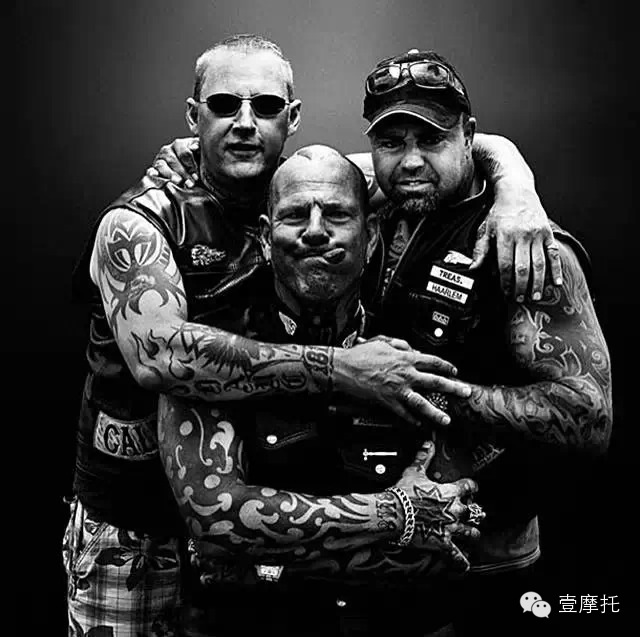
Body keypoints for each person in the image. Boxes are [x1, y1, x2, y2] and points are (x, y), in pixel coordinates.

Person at [64, 34, 560, 636]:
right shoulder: (142, 220)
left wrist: (518, 188)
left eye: (266, 106)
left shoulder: (312, 184)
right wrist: (343, 370)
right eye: (224, 105)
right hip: (134, 518)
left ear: (291, 117)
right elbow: (158, 355)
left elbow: (443, 148)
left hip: (252, 517)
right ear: (194, 116)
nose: (245, 122)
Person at [159, 145, 488, 636]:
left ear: (370, 236)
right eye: (295, 215)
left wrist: (261, 563)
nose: (315, 230)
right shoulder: (212, 352)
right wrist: (394, 515)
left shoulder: (419, 349)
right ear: (266, 238)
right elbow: (214, 521)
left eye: (336, 214)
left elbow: (445, 539)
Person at [357, 48, 612, 633]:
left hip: (486, 564)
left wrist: (428, 391)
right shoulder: (373, 207)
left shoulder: (525, 245)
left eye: (432, 139)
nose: (411, 160)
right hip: (380, 554)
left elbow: (589, 417)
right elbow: (291, 168)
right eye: (391, 142)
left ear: (468, 136)